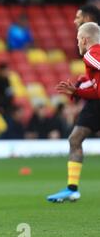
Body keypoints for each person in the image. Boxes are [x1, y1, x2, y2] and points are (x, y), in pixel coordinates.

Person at [47, 21, 100, 202]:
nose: (77, 43)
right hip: (96, 104)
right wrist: (77, 91)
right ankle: (72, 189)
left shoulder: (92, 55)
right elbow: (97, 91)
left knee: (75, 139)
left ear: (84, 40)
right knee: (75, 139)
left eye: (78, 39)